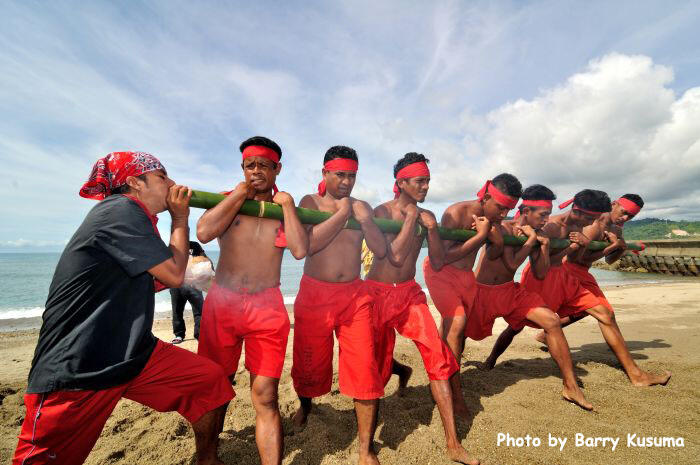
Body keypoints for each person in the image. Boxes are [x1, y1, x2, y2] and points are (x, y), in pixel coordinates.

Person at [12, 151, 233, 465]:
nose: (172, 183)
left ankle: (207, 460)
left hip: (133, 354)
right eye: (162, 176)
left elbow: (157, 281)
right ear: (135, 182)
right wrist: (181, 219)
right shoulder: (120, 209)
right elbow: (172, 273)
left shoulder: (138, 219)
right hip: (81, 364)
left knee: (209, 383)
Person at [196, 136, 308, 465]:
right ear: (242, 168)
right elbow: (204, 232)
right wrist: (240, 193)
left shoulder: (283, 206)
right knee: (215, 387)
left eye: (263, 165)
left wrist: (287, 206)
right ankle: (207, 458)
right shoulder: (228, 199)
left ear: (277, 169)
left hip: (267, 305)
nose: (256, 171)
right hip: (223, 302)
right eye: (249, 165)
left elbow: (300, 250)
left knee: (266, 394)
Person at [365, 153, 479, 464]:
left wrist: (430, 229)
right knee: (374, 367)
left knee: (438, 358)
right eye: (420, 181)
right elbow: (395, 257)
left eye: (428, 180)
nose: (426, 186)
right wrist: (414, 218)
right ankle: (367, 445)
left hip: (409, 295)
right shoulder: (381, 211)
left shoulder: (427, 214)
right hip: (376, 294)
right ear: (401, 183)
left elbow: (439, 261)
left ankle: (453, 444)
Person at [291, 145, 386, 465]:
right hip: (315, 295)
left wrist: (365, 220)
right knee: (309, 364)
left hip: (354, 296)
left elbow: (379, 249)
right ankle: (305, 407)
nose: (347, 181)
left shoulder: (363, 206)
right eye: (340, 174)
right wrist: (344, 213)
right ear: (325, 173)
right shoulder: (310, 202)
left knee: (364, 367)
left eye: (352, 176)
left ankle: (365, 449)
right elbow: (306, 247)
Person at [532, 193, 671, 386]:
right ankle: (636, 375)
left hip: (584, 274)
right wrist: (613, 245)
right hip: (569, 271)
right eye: (624, 213)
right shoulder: (592, 223)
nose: (625, 218)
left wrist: (620, 247)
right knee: (606, 315)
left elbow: (610, 260)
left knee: (592, 313)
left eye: (630, 217)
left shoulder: (617, 228)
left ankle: (544, 334)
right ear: (614, 204)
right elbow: (577, 258)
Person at [474, 185, 592, 410]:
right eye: (542, 215)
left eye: (548, 214)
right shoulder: (503, 227)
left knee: (552, 321)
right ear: (525, 211)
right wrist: (529, 242)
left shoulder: (540, 234)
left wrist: (544, 246)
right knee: (459, 334)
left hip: (509, 290)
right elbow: (510, 263)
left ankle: (571, 386)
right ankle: (455, 377)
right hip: (480, 291)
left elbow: (540, 272)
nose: (547, 219)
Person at [423, 173, 519, 417]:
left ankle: (440, 380)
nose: (504, 214)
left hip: (466, 277)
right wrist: (479, 236)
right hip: (441, 273)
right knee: (457, 324)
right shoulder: (456, 213)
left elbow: (496, 252)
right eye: (501, 207)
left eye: (509, 209)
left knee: (451, 332)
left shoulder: (493, 219)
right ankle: (455, 396)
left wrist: (495, 240)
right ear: (486, 197)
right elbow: (440, 258)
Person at [170, 241, 211, 344]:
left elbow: (205, 259)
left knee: (200, 311)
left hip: (194, 285)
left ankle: (199, 335)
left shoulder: (194, 245)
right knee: (177, 311)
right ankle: (179, 334)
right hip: (176, 284)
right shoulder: (174, 246)